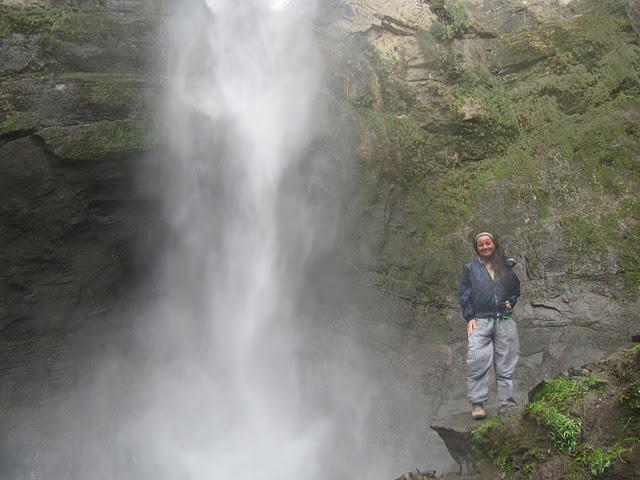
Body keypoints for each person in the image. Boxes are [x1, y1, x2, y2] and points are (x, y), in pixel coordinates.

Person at [459, 231, 521, 420]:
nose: (485, 247)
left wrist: (511, 301)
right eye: (481, 245)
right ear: (477, 248)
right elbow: (464, 293)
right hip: (481, 320)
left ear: (494, 244)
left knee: (506, 363)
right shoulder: (470, 269)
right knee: (477, 361)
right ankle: (477, 404)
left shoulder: (505, 266)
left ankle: (506, 403)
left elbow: (514, 288)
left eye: (488, 243)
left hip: (504, 319)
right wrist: (469, 317)